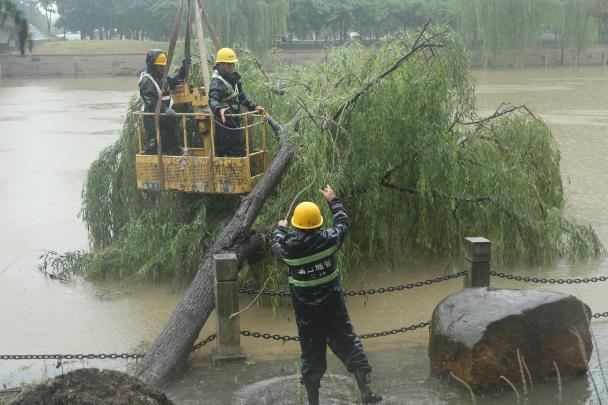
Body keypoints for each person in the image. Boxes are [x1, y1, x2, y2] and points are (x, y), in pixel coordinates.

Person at [271, 185, 383, 405]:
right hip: (334, 311)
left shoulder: (289, 250)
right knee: (350, 347)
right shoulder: (330, 241)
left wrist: (280, 229)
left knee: (312, 360)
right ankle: (366, 392)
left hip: (308, 318)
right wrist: (333, 200)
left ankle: (314, 402)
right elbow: (343, 223)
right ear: (319, 222)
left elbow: (276, 245)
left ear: (296, 225)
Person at [208, 47, 265, 157]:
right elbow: (212, 99)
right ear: (221, 65)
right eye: (229, 64)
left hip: (234, 120)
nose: (232, 66)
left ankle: (233, 171)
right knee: (229, 149)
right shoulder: (217, 82)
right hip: (223, 124)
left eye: (233, 64)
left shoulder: (234, 80)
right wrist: (219, 109)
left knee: (237, 148)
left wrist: (254, 107)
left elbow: (242, 96)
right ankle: (227, 172)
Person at [139, 49, 188, 155]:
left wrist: (184, 70)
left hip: (167, 119)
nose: (163, 68)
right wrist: (166, 109)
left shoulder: (163, 77)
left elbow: (175, 81)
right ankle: (154, 168)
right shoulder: (146, 82)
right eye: (160, 66)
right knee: (154, 147)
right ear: (152, 66)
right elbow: (152, 104)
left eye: (164, 66)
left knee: (173, 146)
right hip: (153, 120)